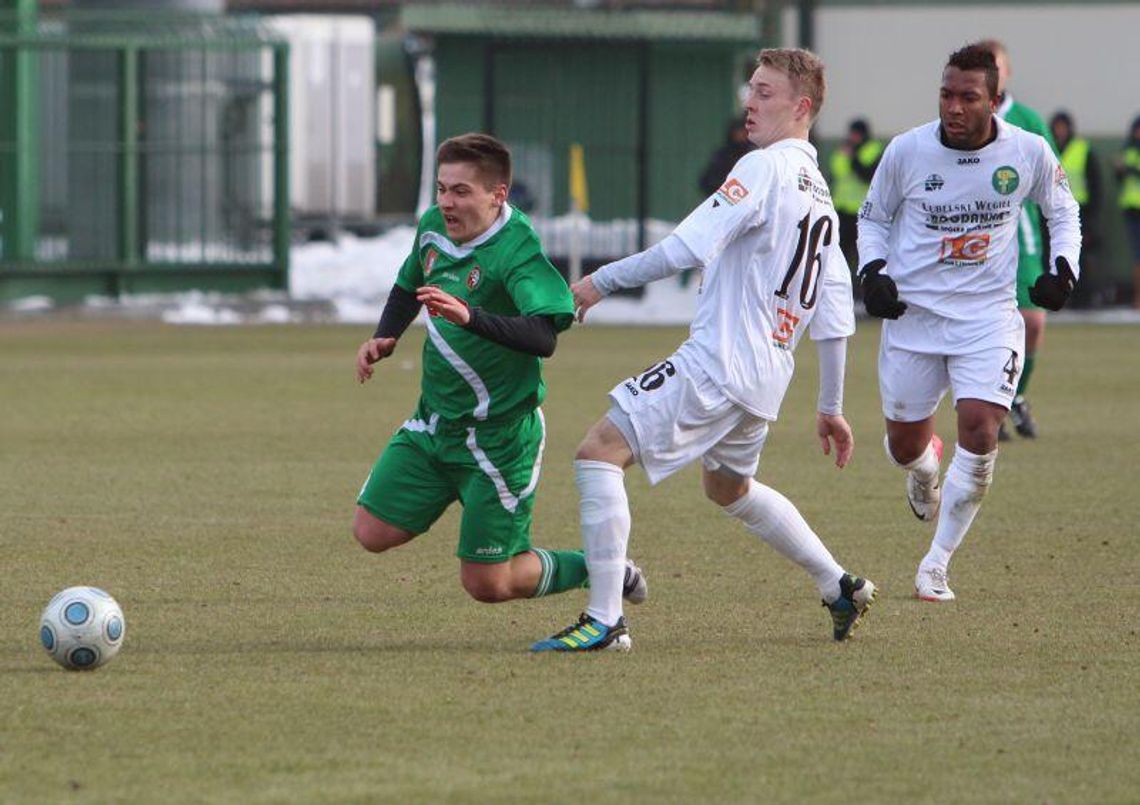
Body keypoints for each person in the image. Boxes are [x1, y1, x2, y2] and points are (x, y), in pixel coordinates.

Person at [532, 48, 876, 653]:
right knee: (728, 489)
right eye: (750, 89)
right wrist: (831, 405)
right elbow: (834, 315)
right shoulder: (820, 195)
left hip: (719, 365)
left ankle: (605, 619)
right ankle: (838, 584)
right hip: (765, 380)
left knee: (597, 453)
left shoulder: (763, 169)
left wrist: (598, 282)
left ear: (802, 108)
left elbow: (684, 249)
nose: (749, 102)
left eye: (765, 92)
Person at [353, 132, 648, 609]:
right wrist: (385, 336)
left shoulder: (516, 250)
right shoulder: (432, 227)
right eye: (442, 189)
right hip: (436, 423)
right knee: (371, 530)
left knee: (488, 585)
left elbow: (543, 337)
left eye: (461, 192)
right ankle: (453, 490)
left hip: (499, 439)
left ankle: (604, 569)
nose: (446, 202)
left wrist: (470, 316)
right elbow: (410, 283)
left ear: (498, 195)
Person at [856, 43, 1080, 603]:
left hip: (987, 317)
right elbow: (872, 218)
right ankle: (923, 467)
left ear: (995, 101)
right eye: (946, 94)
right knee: (904, 444)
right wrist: (872, 272)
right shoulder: (907, 151)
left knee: (980, 431)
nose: (953, 107)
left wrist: (1064, 267)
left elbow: (1063, 210)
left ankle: (936, 564)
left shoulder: (1026, 151)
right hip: (916, 316)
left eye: (968, 97)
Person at [979, 40, 1056, 440]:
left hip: (1021, 236)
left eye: (996, 66)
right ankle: (990, 405)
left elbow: (1055, 181)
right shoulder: (961, 117)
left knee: (1032, 321)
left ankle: (1016, 397)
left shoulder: (1027, 119)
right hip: (973, 237)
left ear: (1006, 73)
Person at [1050, 111, 1102, 305]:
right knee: (1055, 255)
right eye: (1057, 127)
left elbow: (1095, 185)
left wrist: (1092, 216)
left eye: (1063, 127)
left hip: (1081, 211)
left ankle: (1082, 297)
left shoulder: (1082, 149)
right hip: (1053, 209)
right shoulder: (1048, 147)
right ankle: (1060, 297)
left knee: (1080, 256)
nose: (1060, 131)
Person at [829, 118, 885, 276]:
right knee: (839, 252)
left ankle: (861, 289)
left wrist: (852, 156)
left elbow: (866, 176)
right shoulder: (843, 149)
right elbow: (837, 174)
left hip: (862, 212)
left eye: (856, 134)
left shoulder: (873, 150)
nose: (852, 137)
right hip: (841, 209)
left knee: (861, 254)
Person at [1115, 115, 1140, 309]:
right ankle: (1137, 300)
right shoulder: (1128, 151)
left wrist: (1130, 169)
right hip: (1132, 210)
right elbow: (1121, 180)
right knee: (1137, 257)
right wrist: (1120, 170)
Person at [698, 118, 756, 196]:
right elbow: (707, 181)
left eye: (744, 132)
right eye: (738, 132)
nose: (741, 135)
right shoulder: (722, 155)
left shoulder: (753, 154)